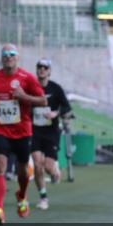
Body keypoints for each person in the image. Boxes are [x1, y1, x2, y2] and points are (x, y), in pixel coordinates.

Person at [0, 44, 47, 224]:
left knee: (22, 172)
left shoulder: (27, 78)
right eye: (5, 54)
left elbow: (42, 100)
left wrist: (24, 97)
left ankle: (22, 195)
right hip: (0, 128)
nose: (8, 57)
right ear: (1, 57)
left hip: (22, 130)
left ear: (17, 57)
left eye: (11, 54)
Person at [30, 59, 72, 210]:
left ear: (49, 71)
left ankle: (55, 173)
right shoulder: (30, 86)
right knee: (37, 163)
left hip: (51, 132)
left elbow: (67, 106)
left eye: (45, 67)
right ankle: (43, 197)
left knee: (47, 166)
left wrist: (56, 113)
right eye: (39, 67)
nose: (42, 69)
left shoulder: (56, 88)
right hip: (34, 131)